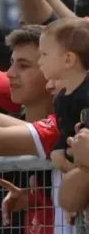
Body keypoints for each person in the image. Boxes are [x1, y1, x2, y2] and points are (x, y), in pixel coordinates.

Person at [39, 18, 89, 172]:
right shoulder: (61, 98)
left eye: (44, 54)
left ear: (68, 59)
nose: (39, 61)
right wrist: (58, 150)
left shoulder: (86, 95)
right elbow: (64, 133)